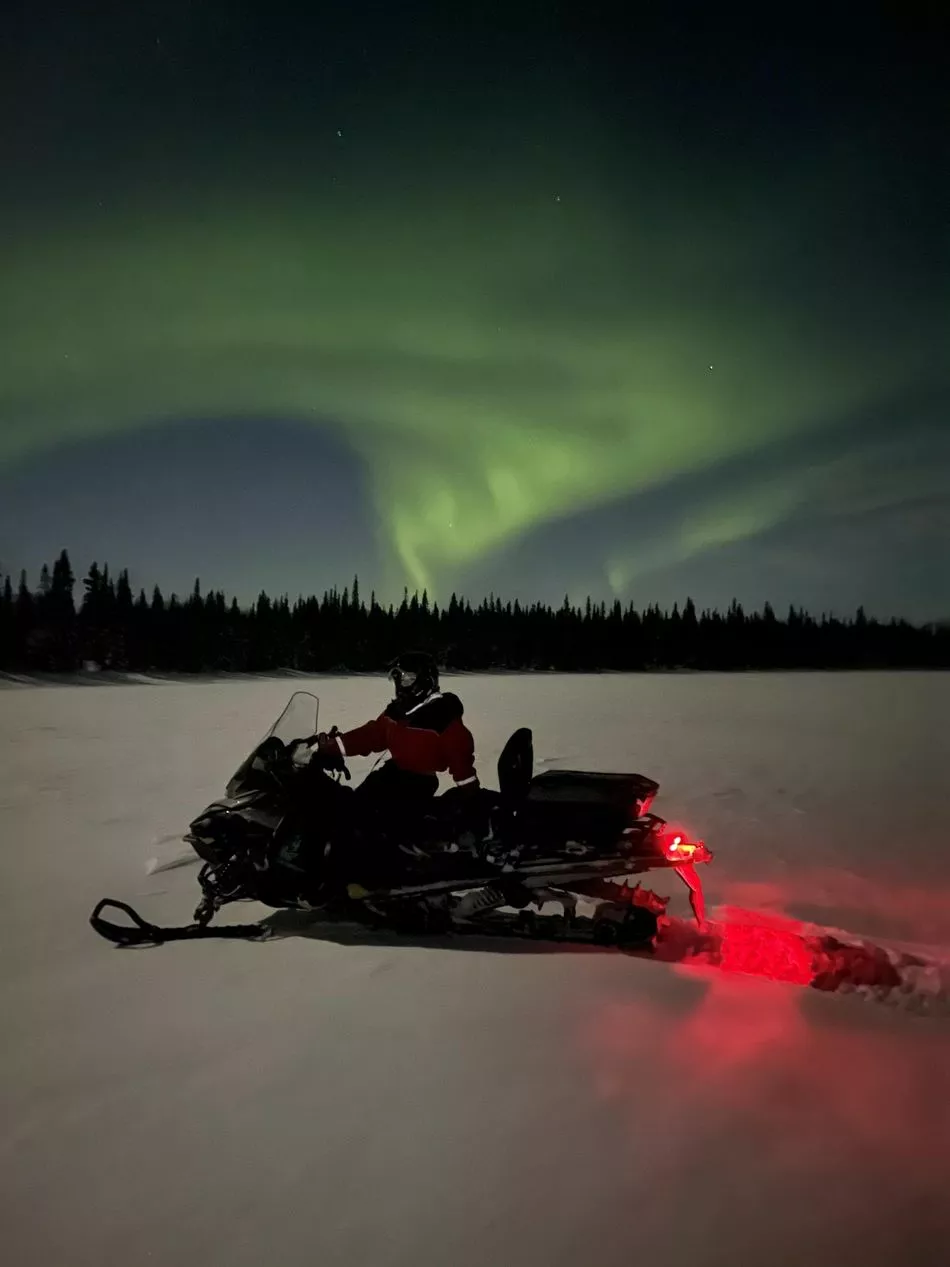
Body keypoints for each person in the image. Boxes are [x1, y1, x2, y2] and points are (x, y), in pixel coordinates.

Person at [313, 651, 480, 858]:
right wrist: (332, 746)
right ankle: (332, 857)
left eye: (408, 678)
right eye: (399, 678)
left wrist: (472, 796)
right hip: (391, 774)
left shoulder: (443, 717)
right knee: (351, 808)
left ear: (425, 680)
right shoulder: (398, 712)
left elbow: (461, 760)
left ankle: (375, 874)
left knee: (379, 826)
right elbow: (372, 735)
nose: (402, 684)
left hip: (417, 784)